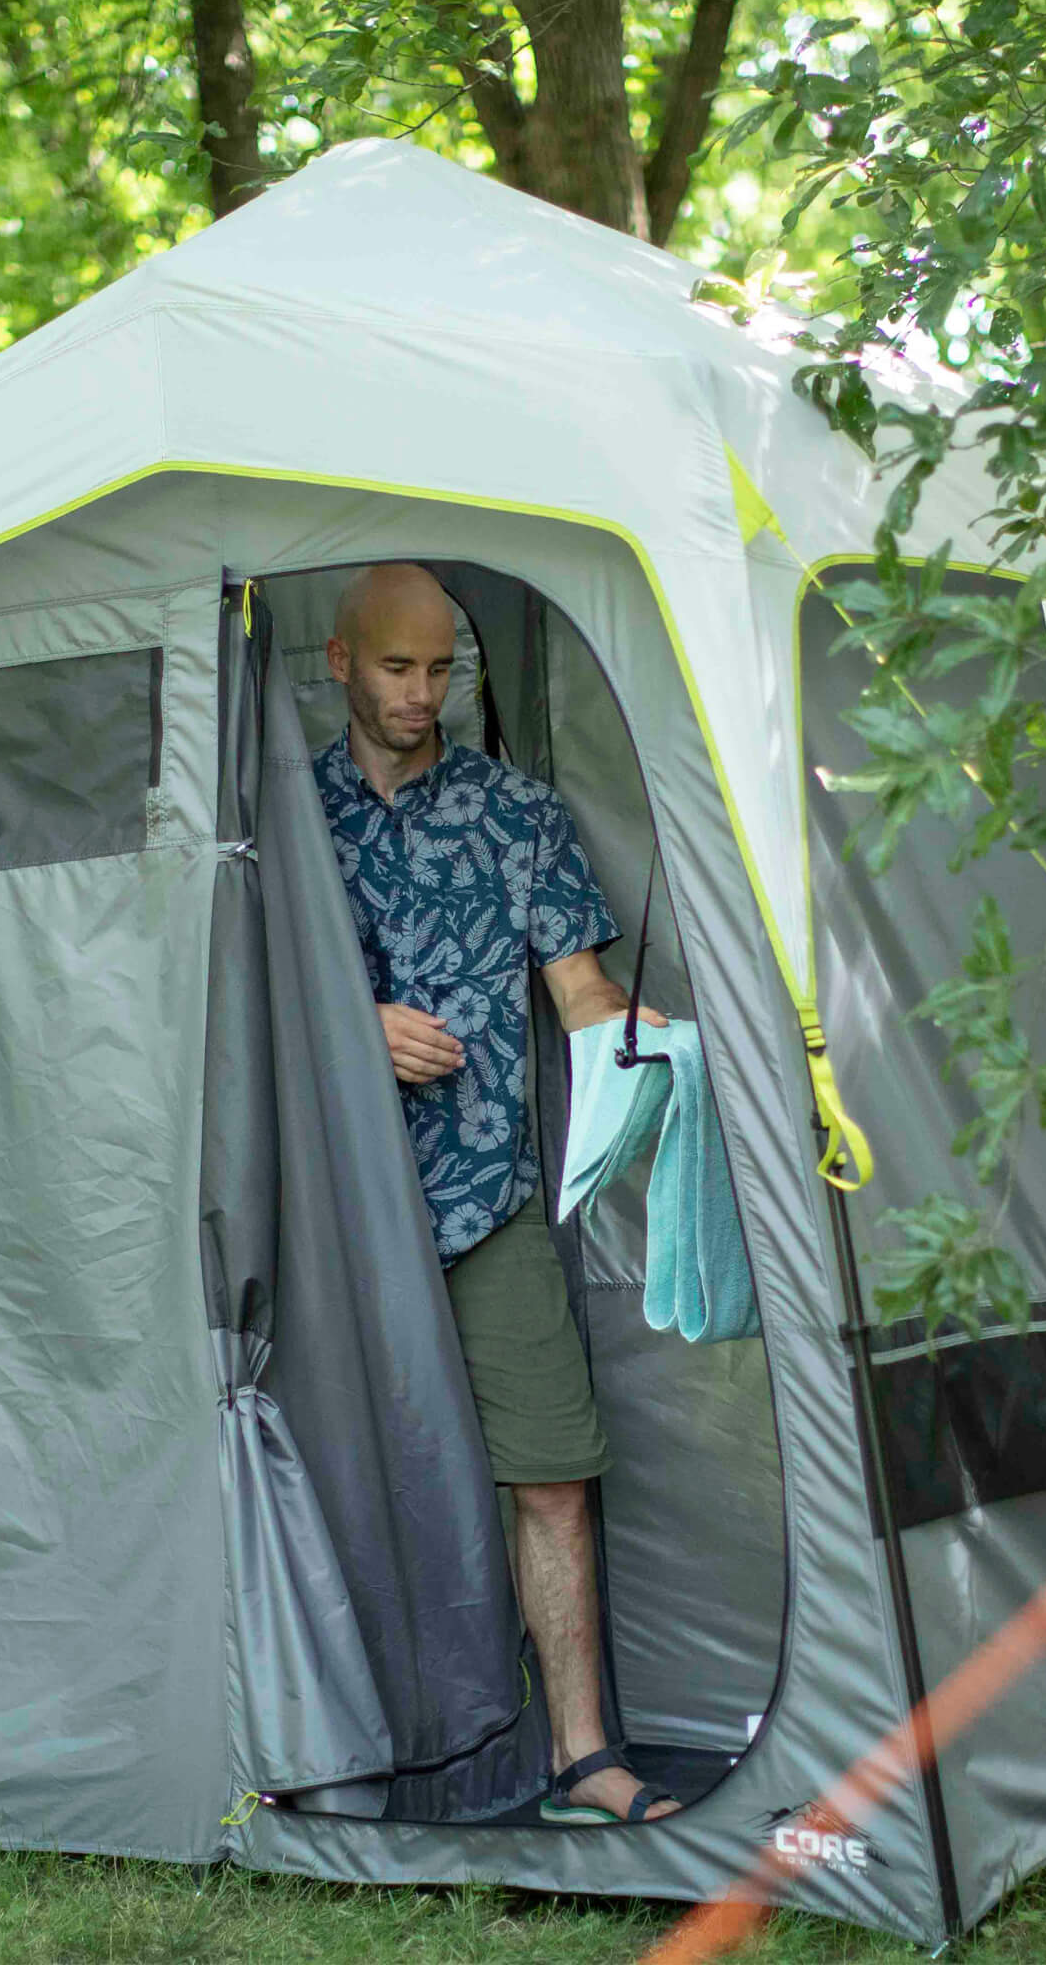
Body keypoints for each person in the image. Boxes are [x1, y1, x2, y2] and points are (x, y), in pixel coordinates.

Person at [313, 560, 679, 1826]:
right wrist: (354, 1023)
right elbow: (221, 1005)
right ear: (339, 662)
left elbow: (577, 991)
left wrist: (664, 1045)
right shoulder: (274, 817)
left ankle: (584, 1760)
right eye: (398, 668)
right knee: (323, 1473)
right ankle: (329, 1758)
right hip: (322, 1212)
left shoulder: (517, 813)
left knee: (551, 1473)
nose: (423, 694)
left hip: (485, 1199)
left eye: (442, 670)